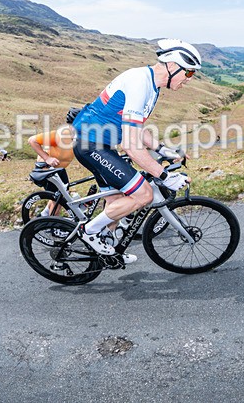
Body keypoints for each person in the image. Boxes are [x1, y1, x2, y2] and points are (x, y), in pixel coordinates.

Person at [71, 38, 199, 263]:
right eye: (188, 73)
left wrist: (162, 148)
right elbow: (130, 146)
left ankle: (104, 250)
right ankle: (89, 232)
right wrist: (165, 175)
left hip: (100, 145)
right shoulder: (140, 83)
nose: (189, 79)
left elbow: (135, 128)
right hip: (91, 145)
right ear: (171, 65)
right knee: (143, 194)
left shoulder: (151, 85)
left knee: (116, 202)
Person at [27, 119, 77, 219]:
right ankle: (53, 225)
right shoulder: (59, 135)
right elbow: (32, 140)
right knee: (59, 198)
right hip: (47, 169)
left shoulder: (79, 138)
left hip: (59, 170)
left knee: (62, 194)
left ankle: (43, 217)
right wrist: (47, 158)